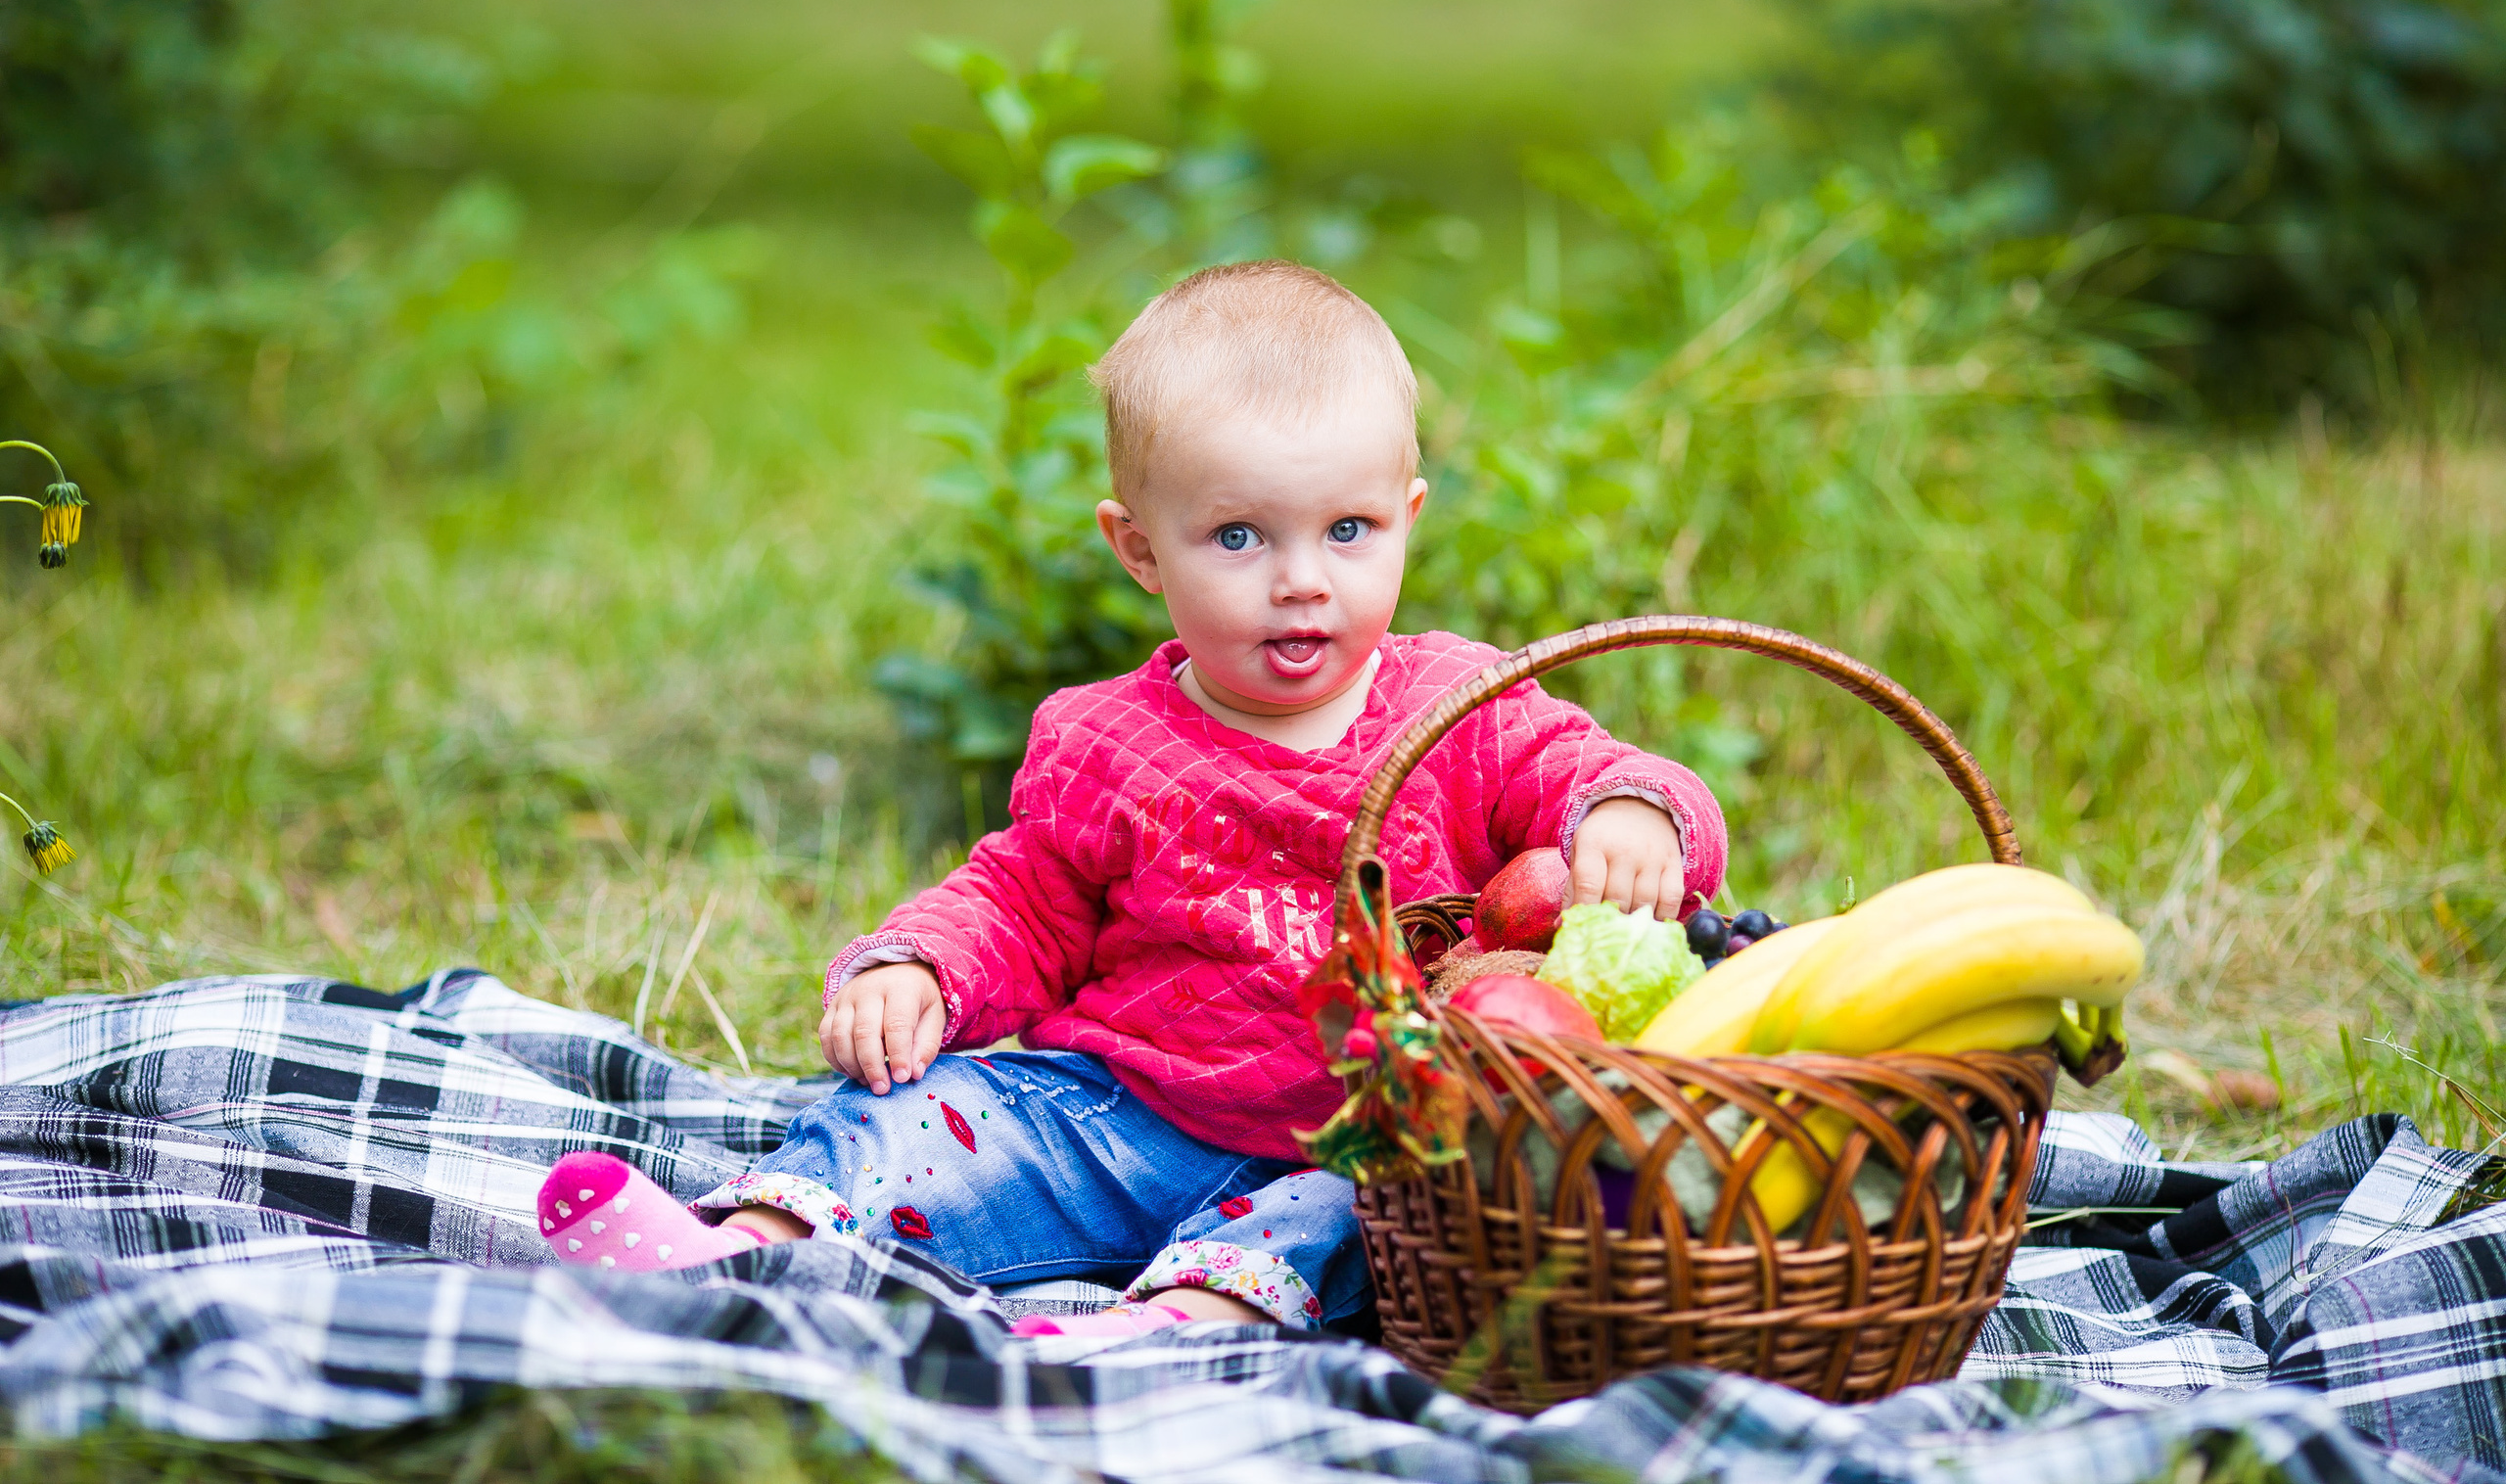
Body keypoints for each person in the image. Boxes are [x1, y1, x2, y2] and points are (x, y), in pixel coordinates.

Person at [535, 260, 1727, 1336]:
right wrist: (920, 965)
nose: (1301, 581)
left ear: (1406, 521)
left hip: (1345, 1142)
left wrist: (1633, 814)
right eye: (1239, 537)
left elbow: (1597, 775)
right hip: (1109, 1115)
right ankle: (742, 1249)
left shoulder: (1461, 709)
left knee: (1365, 1214)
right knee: (917, 1112)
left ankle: (1163, 1329)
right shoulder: (1104, 740)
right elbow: (1021, 898)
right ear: (1140, 548)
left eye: (1347, 530)